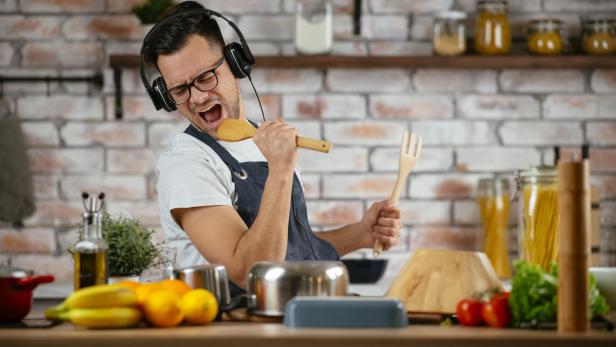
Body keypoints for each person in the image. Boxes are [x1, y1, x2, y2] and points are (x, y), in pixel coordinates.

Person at [141, 2, 401, 295]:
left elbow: (289, 247)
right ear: (166, 96)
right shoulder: (187, 164)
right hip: (235, 331)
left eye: (205, 77)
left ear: (236, 63)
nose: (198, 98)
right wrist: (280, 168)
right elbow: (248, 270)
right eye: (180, 90)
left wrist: (360, 234)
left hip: (292, 316)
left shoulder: (260, 141)